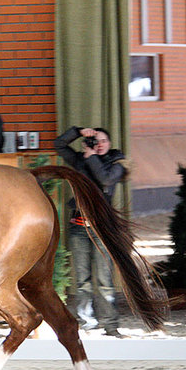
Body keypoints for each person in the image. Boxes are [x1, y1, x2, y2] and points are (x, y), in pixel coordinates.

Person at [55, 126, 128, 337]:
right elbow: (59, 144)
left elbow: (105, 179)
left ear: (110, 143)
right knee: (82, 279)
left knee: (105, 280)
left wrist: (91, 157)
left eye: (104, 140)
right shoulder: (80, 160)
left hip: (102, 229)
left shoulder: (117, 164)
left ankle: (110, 325)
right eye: (96, 140)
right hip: (78, 226)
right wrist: (77, 132)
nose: (100, 144)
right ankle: (86, 322)